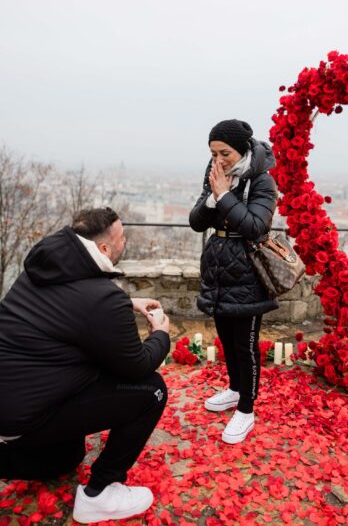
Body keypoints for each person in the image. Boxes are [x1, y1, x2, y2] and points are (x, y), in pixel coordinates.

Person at [0, 207, 170, 523]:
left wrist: (126, 304)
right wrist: (160, 333)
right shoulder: (101, 298)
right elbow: (137, 365)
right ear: (104, 248)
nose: (126, 241)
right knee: (151, 391)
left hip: (10, 408)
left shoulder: (45, 269)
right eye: (122, 237)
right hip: (25, 418)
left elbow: (69, 311)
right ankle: (100, 493)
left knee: (69, 456)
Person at [189, 119, 278, 444]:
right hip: (218, 268)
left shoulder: (263, 182)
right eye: (213, 153)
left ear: (241, 149)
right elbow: (197, 221)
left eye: (224, 152)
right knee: (226, 338)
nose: (218, 160)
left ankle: (246, 408)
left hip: (249, 272)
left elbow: (255, 226)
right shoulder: (214, 174)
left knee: (246, 345)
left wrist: (225, 194)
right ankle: (235, 388)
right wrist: (213, 198)